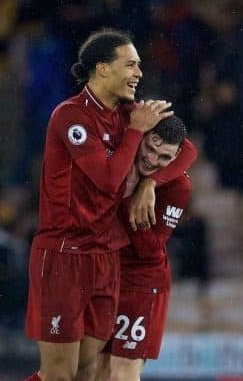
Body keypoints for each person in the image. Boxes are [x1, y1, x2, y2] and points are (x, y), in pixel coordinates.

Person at [24, 28, 180, 381]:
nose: (139, 73)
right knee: (58, 374)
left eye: (139, 66)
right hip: (64, 255)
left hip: (105, 259)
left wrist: (152, 182)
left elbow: (185, 148)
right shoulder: (70, 116)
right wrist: (137, 132)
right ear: (103, 69)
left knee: (87, 370)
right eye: (131, 65)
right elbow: (107, 180)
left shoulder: (128, 114)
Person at [97, 115, 194, 380]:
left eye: (163, 157)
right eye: (150, 148)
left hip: (141, 283)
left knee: (123, 372)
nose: (152, 160)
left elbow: (150, 250)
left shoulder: (178, 187)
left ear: (174, 161)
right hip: (103, 278)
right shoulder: (117, 159)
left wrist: (130, 196)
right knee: (94, 371)